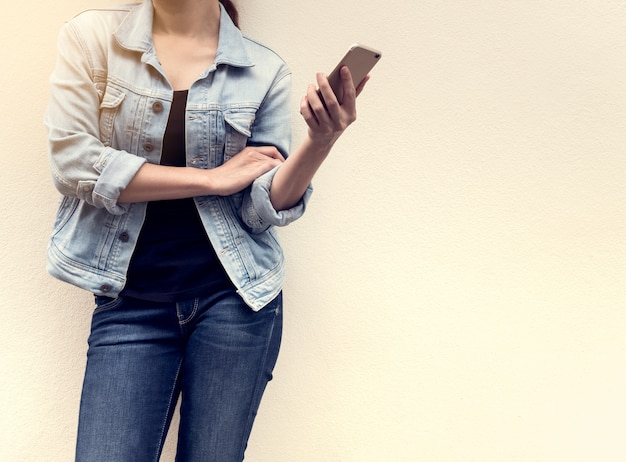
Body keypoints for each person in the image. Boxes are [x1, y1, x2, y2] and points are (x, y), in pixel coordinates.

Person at [45, 0, 368, 460]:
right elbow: (71, 163)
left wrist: (320, 141)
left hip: (236, 301)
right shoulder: (93, 39)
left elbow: (261, 208)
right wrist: (211, 178)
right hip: (130, 302)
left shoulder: (265, 70)